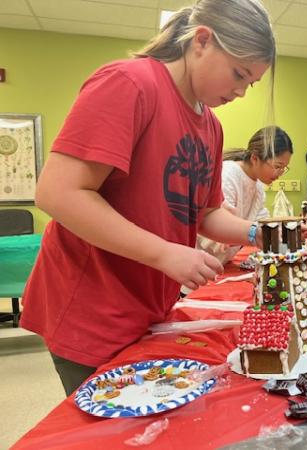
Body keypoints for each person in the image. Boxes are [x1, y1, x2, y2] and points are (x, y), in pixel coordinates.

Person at [19, 0, 276, 396]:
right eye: (239, 74)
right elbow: (58, 192)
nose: (241, 91)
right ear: (202, 40)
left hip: (149, 307)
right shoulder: (131, 84)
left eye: (251, 83)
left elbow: (205, 213)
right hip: (93, 309)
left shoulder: (211, 127)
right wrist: (164, 253)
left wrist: (264, 233)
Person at [195, 126, 293, 264]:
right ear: (255, 158)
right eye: (277, 166)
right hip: (199, 261)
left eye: (284, 168)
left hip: (218, 263)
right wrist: (252, 234)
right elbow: (214, 237)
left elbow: (262, 222)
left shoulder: (258, 186)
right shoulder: (228, 176)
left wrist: (291, 229)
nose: (280, 173)